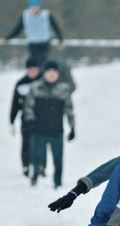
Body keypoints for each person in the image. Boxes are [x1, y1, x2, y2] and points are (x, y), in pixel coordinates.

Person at [23, 59, 75, 188]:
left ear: (58, 73)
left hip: (56, 131)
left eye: (54, 71)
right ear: (44, 73)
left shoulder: (63, 89)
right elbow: (28, 107)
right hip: (38, 130)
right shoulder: (35, 88)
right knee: (36, 156)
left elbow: (69, 110)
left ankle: (57, 182)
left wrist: (73, 128)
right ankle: (35, 174)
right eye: (48, 71)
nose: (51, 74)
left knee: (58, 158)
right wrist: (30, 121)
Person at [0, 0, 65, 67]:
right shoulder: (25, 15)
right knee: (35, 64)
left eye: (35, 7)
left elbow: (56, 28)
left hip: (44, 43)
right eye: (32, 7)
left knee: (44, 63)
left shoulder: (46, 15)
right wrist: (6, 39)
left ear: (39, 6)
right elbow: (17, 29)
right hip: (32, 43)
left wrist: (60, 40)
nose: (33, 9)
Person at [8, 56, 46, 177]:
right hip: (26, 119)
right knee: (26, 142)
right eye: (30, 69)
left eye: (35, 69)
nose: (33, 72)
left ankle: (42, 166)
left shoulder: (44, 82)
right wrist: (11, 121)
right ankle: (26, 165)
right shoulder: (21, 83)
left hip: (42, 118)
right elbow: (15, 103)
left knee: (42, 142)